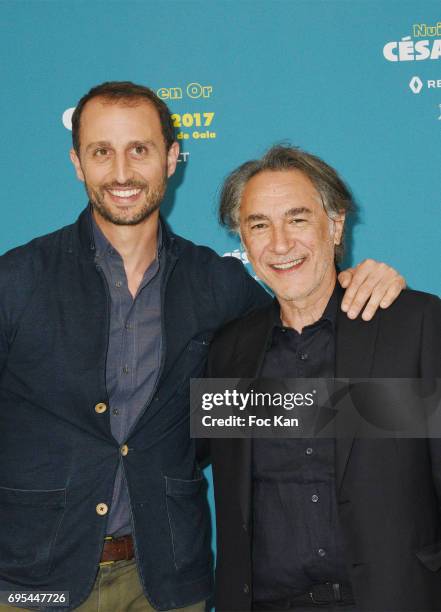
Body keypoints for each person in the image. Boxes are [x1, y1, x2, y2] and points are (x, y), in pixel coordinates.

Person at [0, 82, 405, 612]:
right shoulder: (16, 280)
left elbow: (289, 372)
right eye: (102, 152)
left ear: (171, 159)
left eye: (139, 150)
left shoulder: (222, 286)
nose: (121, 173)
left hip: (170, 582)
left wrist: (357, 281)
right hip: (33, 582)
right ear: (78, 162)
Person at [207, 145, 441, 611]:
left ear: (334, 225)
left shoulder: (413, 325)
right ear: (244, 241)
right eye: (258, 225)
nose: (279, 243)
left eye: (296, 219)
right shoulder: (228, 351)